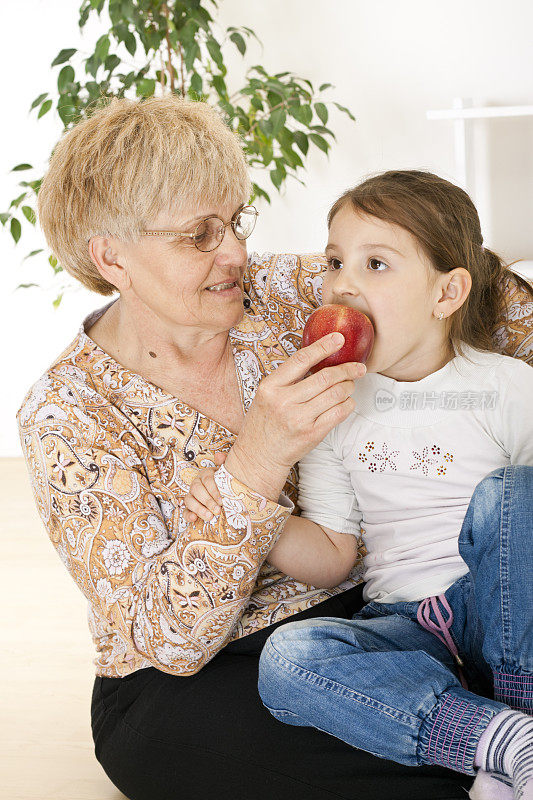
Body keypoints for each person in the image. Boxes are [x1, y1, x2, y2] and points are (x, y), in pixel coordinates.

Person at [17, 94, 530, 800]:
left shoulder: (282, 293)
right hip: (205, 667)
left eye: (233, 220)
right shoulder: (66, 414)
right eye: (199, 234)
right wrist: (253, 462)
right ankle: (491, 743)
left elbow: (486, 295)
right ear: (113, 257)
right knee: (192, 735)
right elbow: (170, 641)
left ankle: (489, 744)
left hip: (377, 606)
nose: (235, 252)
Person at [184, 170, 533, 800]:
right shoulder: (334, 406)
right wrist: (247, 501)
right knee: (288, 660)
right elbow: (331, 555)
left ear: (447, 292)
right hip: (410, 626)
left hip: (504, 611)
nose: (343, 283)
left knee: (513, 497)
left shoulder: (509, 388)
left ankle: (520, 709)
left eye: (376, 264)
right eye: (335, 261)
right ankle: (498, 739)